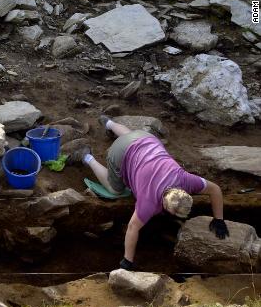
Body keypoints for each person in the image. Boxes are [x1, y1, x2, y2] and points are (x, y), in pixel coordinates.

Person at [71, 115, 228, 271]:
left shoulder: (186, 180)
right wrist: (127, 261)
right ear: (165, 206)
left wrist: (219, 219)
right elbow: (133, 227)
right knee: (115, 189)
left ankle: (109, 123)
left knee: (131, 137)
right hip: (119, 153)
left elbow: (215, 189)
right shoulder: (149, 202)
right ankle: (87, 157)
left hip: (145, 138)